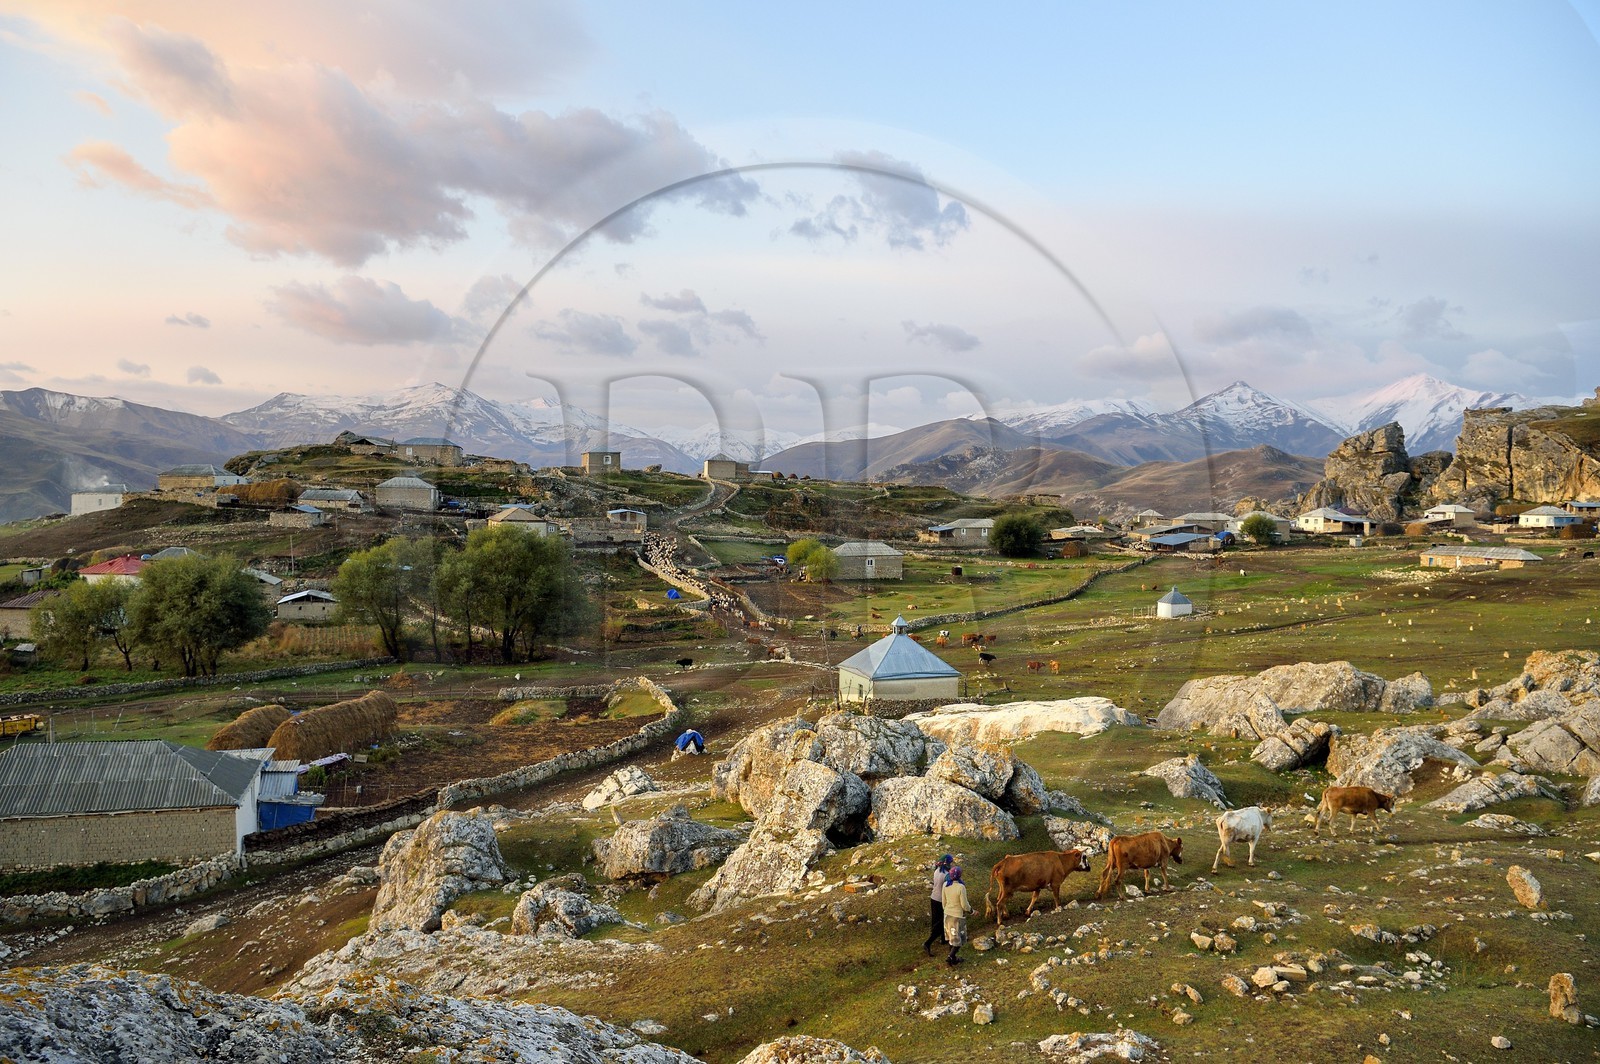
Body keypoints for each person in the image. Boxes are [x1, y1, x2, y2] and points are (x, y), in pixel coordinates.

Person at [941, 865, 973, 966]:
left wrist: (947, 910)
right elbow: (964, 905)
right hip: (956, 916)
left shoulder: (945, 885)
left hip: (947, 915)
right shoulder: (961, 887)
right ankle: (950, 957)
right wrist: (972, 911)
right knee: (958, 940)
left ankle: (953, 959)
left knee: (951, 938)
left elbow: (943, 902)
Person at [923, 854, 954, 956]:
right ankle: (928, 942)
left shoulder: (937, 871)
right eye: (950, 863)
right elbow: (949, 888)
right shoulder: (947, 875)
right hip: (942, 900)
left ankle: (942, 938)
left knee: (936, 919)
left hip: (934, 898)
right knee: (942, 922)